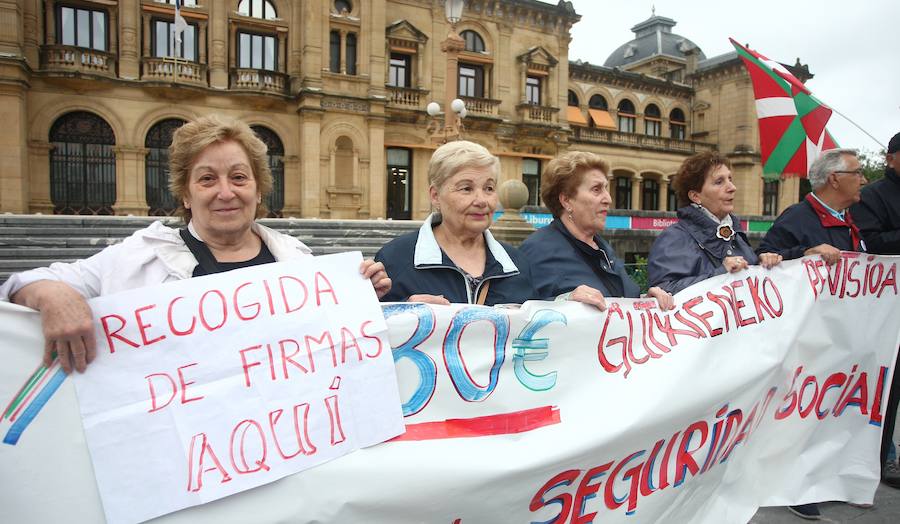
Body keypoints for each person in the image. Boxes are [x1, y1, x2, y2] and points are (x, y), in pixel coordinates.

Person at [0, 114, 391, 374]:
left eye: (239, 178)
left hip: (279, 447)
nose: (226, 192)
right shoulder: (140, 256)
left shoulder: (297, 258)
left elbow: (330, 339)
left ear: (257, 190)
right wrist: (52, 295)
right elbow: (23, 285)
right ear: (186, 194)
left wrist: (369, 296)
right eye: (207, 179)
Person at [758, 148, 868, 521]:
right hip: (809, 334)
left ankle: (821, 478)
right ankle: (795, 486)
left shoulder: (849, 219)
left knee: (831, 409)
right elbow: (767, 263)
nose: (864, 179)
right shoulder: (798, 217)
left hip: (840, 330)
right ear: (834, 178)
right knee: (801, 413)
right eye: (857, 172)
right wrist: (803, 253)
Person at [376, 140, 534, 306]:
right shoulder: (396, 259)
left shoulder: (516, 263)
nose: (481, 201)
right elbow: (369, 326)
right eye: (466, 188)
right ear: (435, 196)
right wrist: (402, 310)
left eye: (489, 188)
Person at [520, 151, 674, 311]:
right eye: (596, 189)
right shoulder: (537, 250)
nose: (608, 199)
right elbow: (517, 314)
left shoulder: (602, 249)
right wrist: (565, 299)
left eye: (606, 189)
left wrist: (646, 303)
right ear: (566, 200)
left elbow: (615, 300)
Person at [647, 151, 782, 295]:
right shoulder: (673, 238)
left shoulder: (736, 233)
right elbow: (663, 293)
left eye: (730, 179)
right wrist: (721, 273)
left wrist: (762, 264)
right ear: (695, 196)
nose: (732, 188)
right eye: (719, 182)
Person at [850, 132, 900, 489]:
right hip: (887, 309)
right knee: (888, 387)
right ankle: (885, 458)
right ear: (891, 158)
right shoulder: (872, 196)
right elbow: (870, 245)